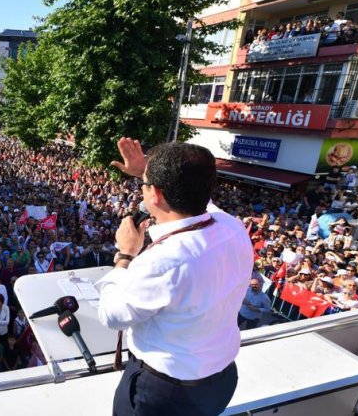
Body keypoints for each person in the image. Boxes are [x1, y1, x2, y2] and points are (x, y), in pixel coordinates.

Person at [97, 138, 251, 416]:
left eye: (143, 185)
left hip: (164, 395)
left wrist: (125, 255)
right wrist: (148, 172)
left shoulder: (161, 261)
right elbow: (196, 195)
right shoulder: (233, 228)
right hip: (220, 381)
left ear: (155, 194)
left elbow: (112, 315)